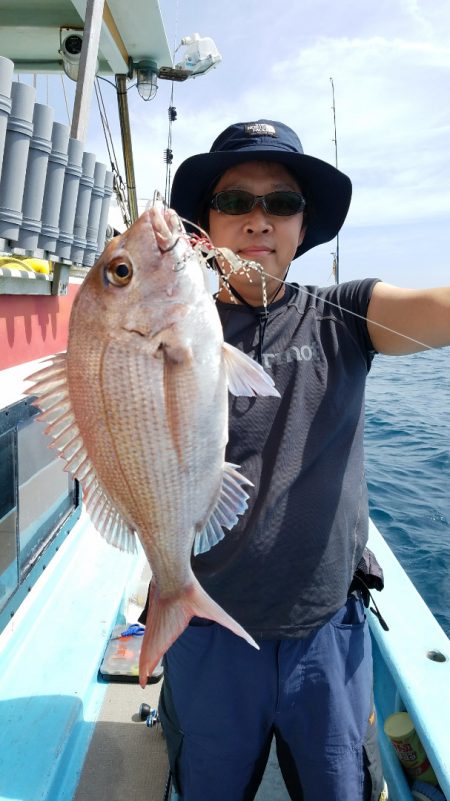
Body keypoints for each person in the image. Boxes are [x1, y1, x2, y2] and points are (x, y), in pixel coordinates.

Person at [140, 119, 449, 801]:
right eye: (234, 202)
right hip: (209, 630)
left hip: (327, 635)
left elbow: (439, 309)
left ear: (303, 227)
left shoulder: (346, 315)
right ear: (205, 226)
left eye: (281, 203)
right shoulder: (165, 329)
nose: (258, 219)